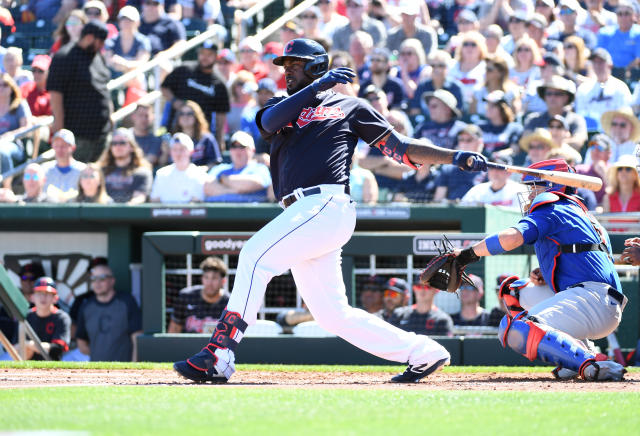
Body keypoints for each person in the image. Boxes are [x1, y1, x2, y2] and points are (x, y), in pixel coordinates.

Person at [173, 38, 487, 384]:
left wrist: (453, 157)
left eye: (295, 64)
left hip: (325, 203)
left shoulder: (351, 107)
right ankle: (424, 352)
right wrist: (318, 86)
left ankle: (219, 354)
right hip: (303, 213)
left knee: (253, 255)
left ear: (316, 65)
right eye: (285, 65)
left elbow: (399, 149)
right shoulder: (282, 105)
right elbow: (268, 123)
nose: (288, 70)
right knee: (332, 315)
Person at [444, 158, 628, 381]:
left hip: (593, 300)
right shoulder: (580, 212)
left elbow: (513, 237)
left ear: (552, 185)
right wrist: (549, 271)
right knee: (514, 290)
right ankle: (577, 350)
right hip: (594, 299)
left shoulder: (553, 206)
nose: (530, 194)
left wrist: (467, 254)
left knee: (517, 330)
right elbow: (581, 258)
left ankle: (592, 364)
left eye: (534, 186)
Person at [47, 21, 113, 163]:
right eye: (100, 41)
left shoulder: (97, 56)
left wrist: (111, 117)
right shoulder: (64, 57)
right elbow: (56, 96)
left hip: (102, 133)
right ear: (89, 37)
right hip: (79, 136)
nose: (102, 45)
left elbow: (104, 89)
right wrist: (59, 132)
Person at [161, 39, 231, 149]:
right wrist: (174, 101)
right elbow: (164, 87)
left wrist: (219, 140)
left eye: (209, 54)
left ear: (215, 56)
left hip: (200, 136)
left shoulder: (219, 83)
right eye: (202, 53)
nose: (205, 57)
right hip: (176, 130)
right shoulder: (184, 69)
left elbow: (221, 115)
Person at [76, 263, 143, 361]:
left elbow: (137, 337)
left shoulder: (126, 302)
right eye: (94, 279)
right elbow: (81, 343)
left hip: (123, 369)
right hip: (97, 370)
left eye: (102, 278)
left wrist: (134, 366)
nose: (97, 282)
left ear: (112, 281)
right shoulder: (86, 306)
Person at [523, 75, 587, 151]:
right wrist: (560, 141)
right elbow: (526, 141)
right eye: (549, 94)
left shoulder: (576, 119)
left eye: (557, 94)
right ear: (544, 96)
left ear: (566, 97)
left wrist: (543, 144)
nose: (552, 97)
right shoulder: (533, 119)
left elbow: (578, 142)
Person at [204, 131, 271, 202]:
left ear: (252, 150)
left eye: (242, 147)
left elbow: (254, 183)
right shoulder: (220, 168)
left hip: (250, 211)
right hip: (218, 211)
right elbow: (207, 186)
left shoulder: (260, 168)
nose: (237, 150)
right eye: (234, 146)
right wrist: (234, 190)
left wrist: (224, 180)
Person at [168, 256, 230, 333]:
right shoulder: (186, 297)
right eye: (206, 277)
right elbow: (174, 330)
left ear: (223, 281)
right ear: (202, 278)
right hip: (189, 344)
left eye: (214, 278)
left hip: (219, 344)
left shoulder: (230, 303)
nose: (209, 283)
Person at [575, 48, 632, 131]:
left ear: (610, 65)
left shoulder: (620, 87)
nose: (597, 66)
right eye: (595, 62)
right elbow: (580, 115)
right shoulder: (584, 88)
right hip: (590, 134)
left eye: (601, 62)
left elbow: (626, 114)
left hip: (614, 133)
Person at [97, 128, 153, 204]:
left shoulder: (142, 172)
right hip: (103, 212)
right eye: (114, 143)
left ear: (132, 147)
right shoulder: (100, 171)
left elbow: (139, 197)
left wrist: (125, 208)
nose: (118, 146)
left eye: (122, 143)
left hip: (129, 213)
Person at [433, 124, 487, 202]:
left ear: (480, 142)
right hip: (453, 211)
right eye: (461, 140)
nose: (464, 143)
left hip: (480, 211)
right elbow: (438, 199)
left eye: (469, 140)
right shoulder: (448, 168)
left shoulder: (489, 166)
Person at [22, 277, 71, 360]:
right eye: (39, 293)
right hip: (27, 365)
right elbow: (17, 346)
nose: (43, 297)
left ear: (55, 298)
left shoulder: (61, 317)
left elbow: (57, 349)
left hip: (52, 367)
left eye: (47, 293)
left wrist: (29, 344)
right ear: (32, 297)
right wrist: (27, 346)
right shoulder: (26, 316)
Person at [150, 133, 207, 203]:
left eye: (182, 149)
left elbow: (196, 204)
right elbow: (154, 201)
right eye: (175, 149)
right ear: (170, 152)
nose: (178, 153)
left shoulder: (199, 174)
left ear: (191, 152)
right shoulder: (161, 174)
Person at [408, 50, 464, 118]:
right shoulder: (422, 86)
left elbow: (459, 112)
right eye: (433, 66)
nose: (437, 69)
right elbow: (415, 111)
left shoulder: (455, 87)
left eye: (441, 66)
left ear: (447, 68)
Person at [389, 281, 454, 336]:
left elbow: (445, 347)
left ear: (436, 290)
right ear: (414, 288)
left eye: (427, 287)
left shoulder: (442, 319)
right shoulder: (399, 314)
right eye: (419, 286)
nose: (422, 290)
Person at [170, 100, 222, 169]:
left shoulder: (207, 139)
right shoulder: (174, 139)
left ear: (197, 117)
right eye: (181, 114)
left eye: (190, 114)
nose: (185, 117)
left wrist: (199, 171)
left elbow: (215, 163)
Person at [460, 155, 525, 208]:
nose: (494, 171)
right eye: (491, 167)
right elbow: (462, 210)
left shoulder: (519, 190)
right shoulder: (477, 190)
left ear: (509, 172)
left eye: (499, 168)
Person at [41, 129, 86, 203]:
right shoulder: (44, 169)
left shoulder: (83, 170)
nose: (59, 149)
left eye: (63, 146)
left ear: (73, 147)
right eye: (56, 145)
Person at [0, 73, 32, 177]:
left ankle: (6, 185)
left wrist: (9, 136)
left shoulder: (20, 105)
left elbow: (27, 129)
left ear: (12, 87)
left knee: (2, 151)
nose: (1, 88)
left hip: (15, 145)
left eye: (5, 85)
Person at [596, 0, 640, 73]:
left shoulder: (638, 33)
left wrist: (624, 71)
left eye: (627, 13)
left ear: (634, 16)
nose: (623, 17)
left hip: (633, 74)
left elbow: (638, 59)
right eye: (620, 14)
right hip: (608, 72)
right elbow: (599, 56)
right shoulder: (604, 33)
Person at [477, 90, 523, 158]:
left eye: (492, 105)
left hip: (503, 164)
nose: (488, 108)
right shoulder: (480, 126)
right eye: (488, 104)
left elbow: (514, 149)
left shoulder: (514, 127)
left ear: (503, 108)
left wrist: (497, 155)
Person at [575, 134, 612, 204]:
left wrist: (604, 174)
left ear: (609, 154)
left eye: (600, 148)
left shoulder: (617, 171)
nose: (595, 151)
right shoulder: (580, 170)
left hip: (607, 213)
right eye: (592, 147)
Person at [130, 103, 169, 169]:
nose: (144, 119)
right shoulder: (125, 137)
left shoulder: (156, 140)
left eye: (147, 116)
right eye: (140, 115)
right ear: (133, 116)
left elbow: (150, 160)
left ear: (152, 118)